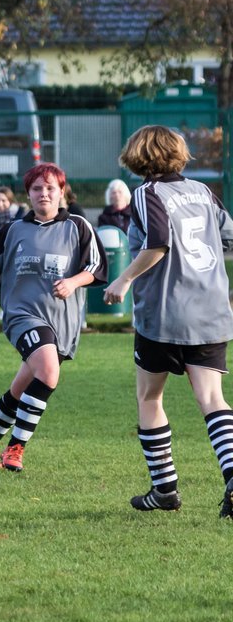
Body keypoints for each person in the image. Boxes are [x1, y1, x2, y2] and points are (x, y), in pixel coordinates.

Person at [103, 126, 233, 517]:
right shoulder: (203, 192)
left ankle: (164, 490)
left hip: (165, 313)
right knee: (212, 398)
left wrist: (123, 279)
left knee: (149, 396)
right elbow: (228, 237)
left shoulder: (147, 193)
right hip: (211, 311)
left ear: (139, 156)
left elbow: (159, 242)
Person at [0, 162, 107, 473]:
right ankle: (15, 449)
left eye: (50, 188)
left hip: (62, 323)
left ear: (62, 192)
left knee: (21, 388)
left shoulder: (79, 227)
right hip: (22, 315)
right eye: (36, 189)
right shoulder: (13, 229)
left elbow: (96, 269)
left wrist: (73, 282)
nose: (44, 193)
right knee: (48, 372)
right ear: (28, 195)